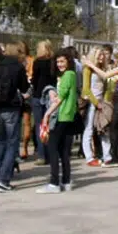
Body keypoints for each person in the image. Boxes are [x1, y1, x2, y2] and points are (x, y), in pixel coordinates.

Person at [0, 39, 30, 192]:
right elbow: (24, 87)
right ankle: (3, 180)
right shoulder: (17, 66)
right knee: (12, 144)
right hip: (10, 108)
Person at [38, 47, 80, 194]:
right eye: (58, 62)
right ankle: (66, 181)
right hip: (69, 116)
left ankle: (54, 182)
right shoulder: (71, 75)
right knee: (63, 150)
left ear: (68, 61)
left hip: (62, 116)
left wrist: (47, 114)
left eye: (62, 61)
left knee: (53, 148)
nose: (59, 64)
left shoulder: (68, 75)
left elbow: (60, 99)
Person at [82, 47, 115, 167]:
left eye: (103, 55)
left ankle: (107, 156)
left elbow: (109, 85)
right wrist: (96, 103)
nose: (102, 57)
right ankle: (89, 157)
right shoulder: (87, 69)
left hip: (103, 102)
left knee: (104, 129)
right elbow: (86, 89)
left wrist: (106, 101)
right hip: (91, 102)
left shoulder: (105, 69)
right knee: (89, 129)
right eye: (99, 55)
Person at [30, 40, 57, 163]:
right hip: (51, 95)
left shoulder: (37, 62)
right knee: (49, 124)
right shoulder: (54, 62)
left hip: (38, 95)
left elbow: (34, 80)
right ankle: (51, 153)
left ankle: (41, 154)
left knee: (39, 125)